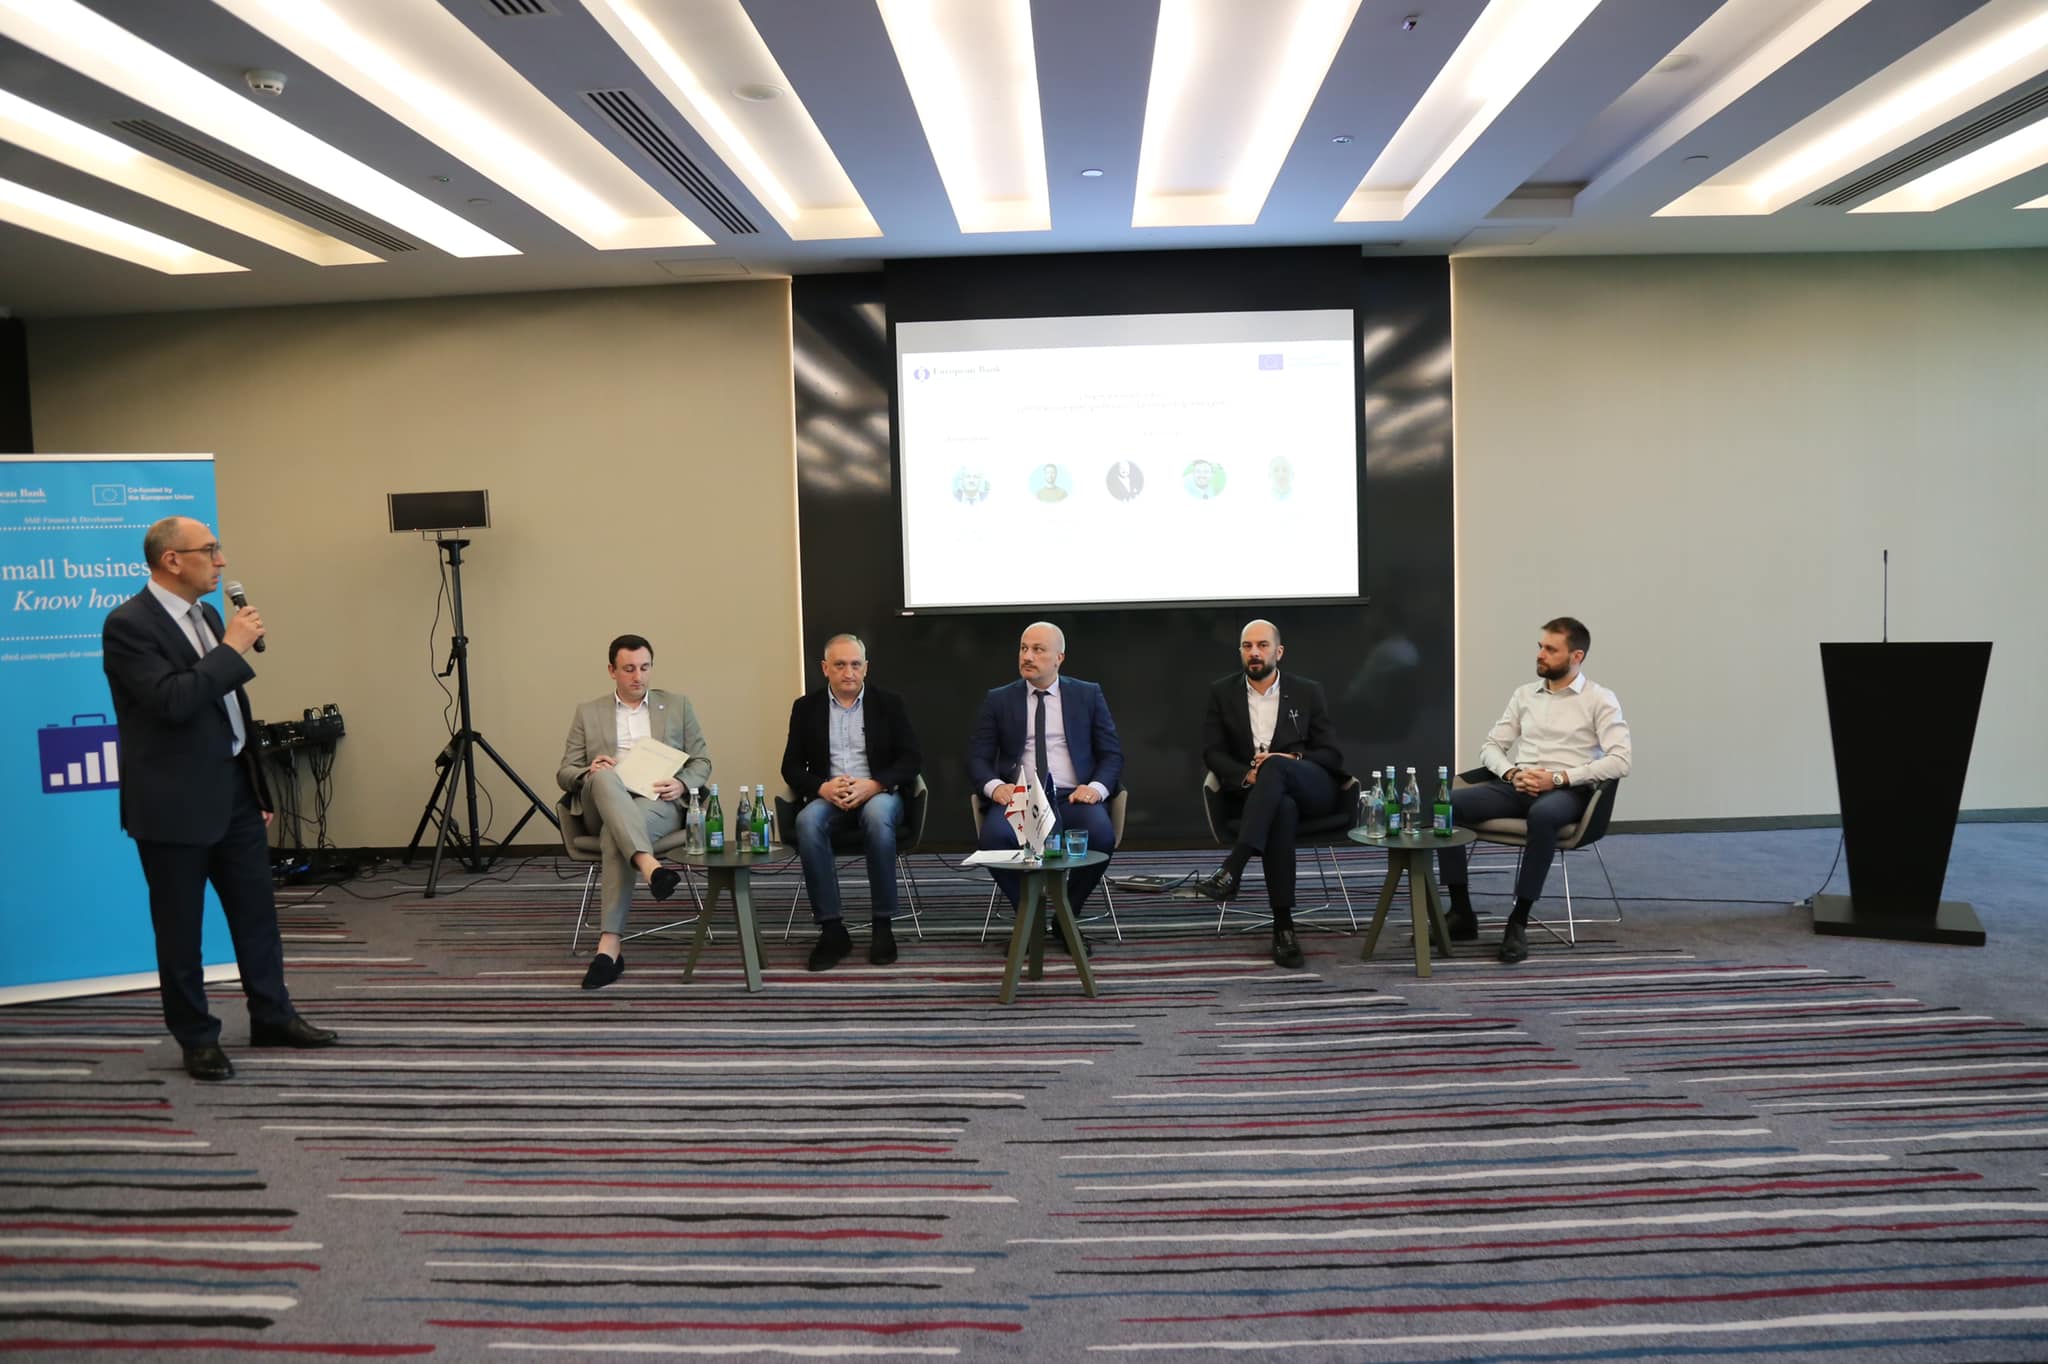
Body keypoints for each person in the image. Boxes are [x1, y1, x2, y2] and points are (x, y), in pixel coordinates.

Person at [101, 516, 338, 1081]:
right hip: (172, 804)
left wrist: (254, 786)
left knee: (258, 916)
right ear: (171, 560)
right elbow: (173, 701)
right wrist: (232, 646)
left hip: (233, 793)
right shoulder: (128, 625)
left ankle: (272, 1015)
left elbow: (231, 711)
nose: (222, 561)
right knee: (181, 929)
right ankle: (197, 1037)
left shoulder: (207, 614)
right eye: (210, 550)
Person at [1442, 616, 1631, 965]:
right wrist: (1512, 772)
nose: (1541, 654)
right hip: (1519, 785)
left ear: (1576, 656)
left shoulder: (1600, 699)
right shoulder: (1525, 695)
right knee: (1445, 806)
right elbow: (1492, 747)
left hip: (1568, 792)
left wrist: (1558, 779)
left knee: (1543, 816)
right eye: (1540, 646)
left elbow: (1620, 761)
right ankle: (1461, 912)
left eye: (1551, 649)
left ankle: (1518, 921)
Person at [557, 634, 712, 989]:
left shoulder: (678, 705)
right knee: (605, 777)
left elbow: (702, 760)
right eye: (628, 669)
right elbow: (564, 772)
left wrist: (682, 783)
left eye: (644, 667)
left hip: (657, 802)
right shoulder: (588, 712)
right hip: (602, 798)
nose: (638, 676)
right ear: (612, 671)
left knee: (616, 834)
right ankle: (650, 867)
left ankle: (609, 948)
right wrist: (589, 770)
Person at [1191, 620, 1347, 968]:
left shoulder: (1307, 691)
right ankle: (1283, 927)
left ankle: (1234, 865)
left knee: (1275, 768)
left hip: (1312, 788)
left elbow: (1332, 755)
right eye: (1247, 646)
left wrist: (1290, 760)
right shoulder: (1222, 692)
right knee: (1282, 809)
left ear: (1279, 652)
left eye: (1262, 645)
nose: (1254, 652)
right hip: (1260, 795)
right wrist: (1246, 775)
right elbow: (1212, 752)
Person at [969, 621, 1122, 948]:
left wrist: (1096, 788)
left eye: (1038, 650)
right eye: (1024, 648)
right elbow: (978, 758)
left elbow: (1111, 754)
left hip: (1072, 796)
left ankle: (1066, 915)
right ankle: (1029, 916)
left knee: (1101, 837)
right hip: (1022, 798)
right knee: (993, 839)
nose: (1027, 656)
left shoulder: (1087, 694)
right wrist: (995, 786)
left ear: (1059, 658)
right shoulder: (999, 699)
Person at [780, 633, 923, 972]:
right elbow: (790, 766)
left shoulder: (889, 703)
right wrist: (822, 788)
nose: (849, 672)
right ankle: (832, 930)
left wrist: (875, 784)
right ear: (825, 668)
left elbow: (911, 759)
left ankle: (882, 925)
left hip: (878, 793)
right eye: (840, 665)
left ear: (866, 668)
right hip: (829, 795)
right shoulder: (806, 708)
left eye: (855, 665)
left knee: (877, 818)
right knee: (807, 822)